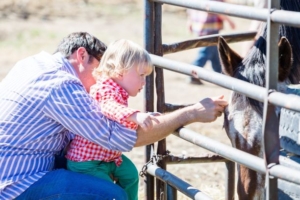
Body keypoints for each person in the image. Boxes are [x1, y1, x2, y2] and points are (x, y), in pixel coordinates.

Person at [0, 32, 228, 200]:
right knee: (113, 196)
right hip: (18, 182)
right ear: (81, 56)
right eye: (99, 71)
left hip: (19, 166)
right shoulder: (61, 85)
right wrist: (191, 113)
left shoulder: (33, 63)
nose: (102, 80)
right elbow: (118, 137)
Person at [66, 39, 157, 200]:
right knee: (111, 193)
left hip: (107, 157)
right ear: (120, 71)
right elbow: (108, 107)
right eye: (141, 75)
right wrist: (137, 116)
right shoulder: (105, 88)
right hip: (86, 162)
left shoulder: (119, 90)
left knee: (130, 175)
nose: (144, 81)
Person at [187, 0, 235, 84]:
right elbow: (218, 10)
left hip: (200, 26)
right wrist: (229, 21)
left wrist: (190, 22)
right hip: (210, 27)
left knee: (214, 52)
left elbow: (192, 8)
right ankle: (193, 74)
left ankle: (221, 73)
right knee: (205, 53)